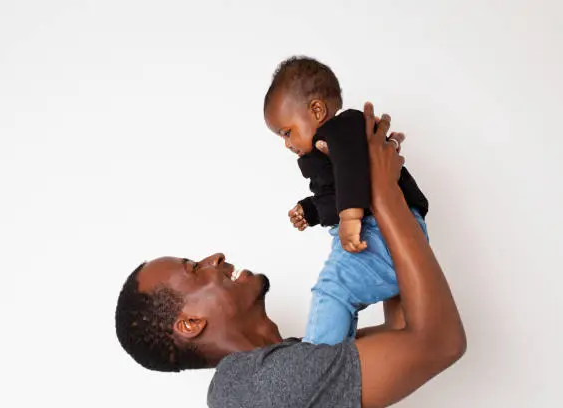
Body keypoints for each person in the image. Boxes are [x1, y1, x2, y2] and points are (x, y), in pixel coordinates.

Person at [114, 103, 466, 407]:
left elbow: (406, 331)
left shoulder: (290, 363)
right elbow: (440, 342)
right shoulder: (247, 388)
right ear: (191, 324)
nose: (214, 258)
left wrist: (370, 182)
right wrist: (382, 192)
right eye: (193, 269)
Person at [263, 56, 429, 345]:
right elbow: (338, 191)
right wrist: (311, 209)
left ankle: (315, 362)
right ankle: (331, 355)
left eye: (287, 132)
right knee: (337, 295)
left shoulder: (345, 127)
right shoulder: (328, 150)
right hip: (372, 229)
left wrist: (351, 217)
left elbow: (352, 169)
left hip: (381, 230)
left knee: (333, 290)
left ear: (316, 110)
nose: (287, 144)